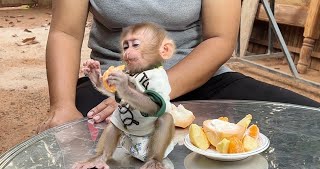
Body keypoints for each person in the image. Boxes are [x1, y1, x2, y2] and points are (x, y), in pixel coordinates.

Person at [38, 0, 320, 132]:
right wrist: (62, 105)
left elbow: (220, 39)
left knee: (309, 122)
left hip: (201, 77)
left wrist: (151, 94)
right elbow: (66, 32)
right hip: (116, 84)